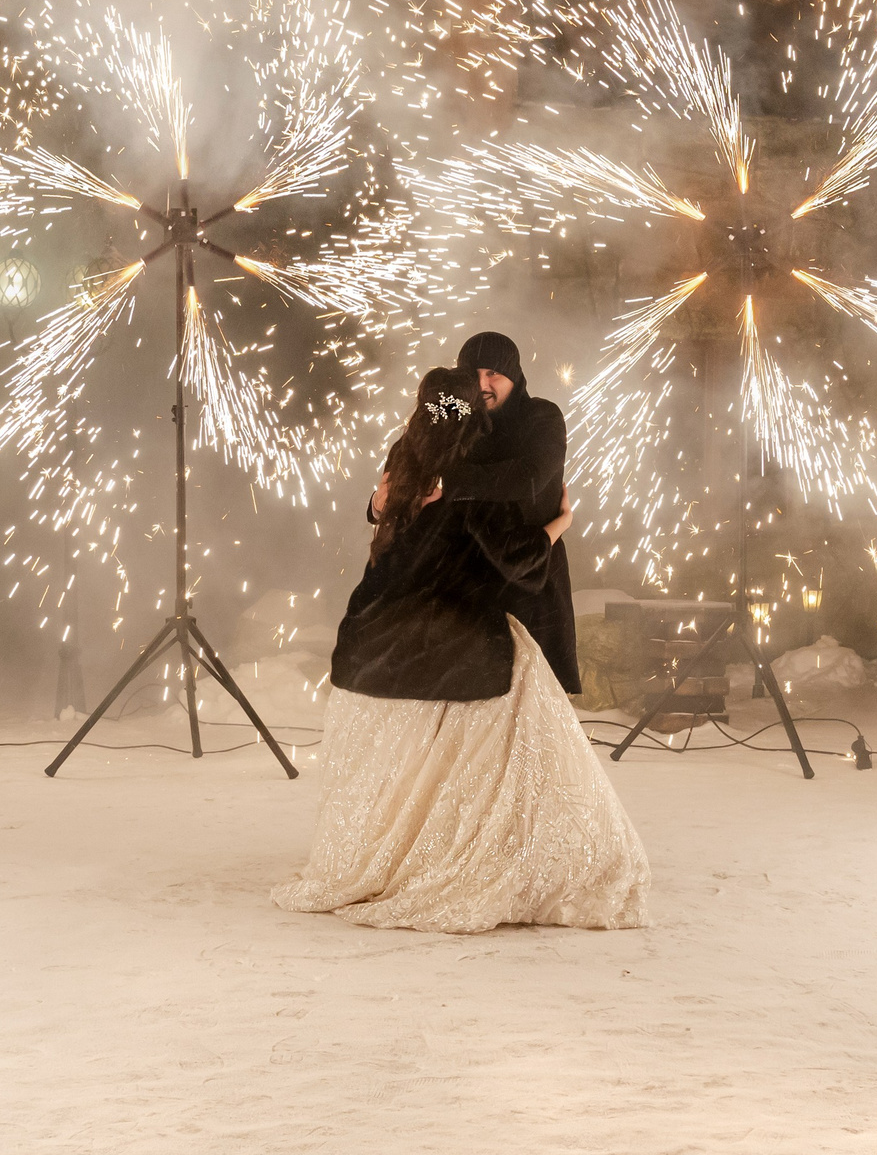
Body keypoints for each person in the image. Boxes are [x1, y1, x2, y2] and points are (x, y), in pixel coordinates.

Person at [277, 367, 649, 933]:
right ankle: (465, 859)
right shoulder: (473, 481)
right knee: (521, 723)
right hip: (453, 637)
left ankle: (382, 858)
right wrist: (562, 523)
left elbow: (383, 514)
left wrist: (378, 508)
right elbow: (519, 557)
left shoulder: (405, 460)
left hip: (373, 641)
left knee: (405, 765)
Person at [438, 330, 580, 694]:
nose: (482, 384)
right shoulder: (453, 420)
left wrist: (452, 482)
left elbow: (527, 480)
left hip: (530, 576)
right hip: (466, 584)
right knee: (470, 711)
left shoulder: (542, 416)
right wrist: (378, 504)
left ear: (514, 377)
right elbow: (412, 468)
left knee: (532, 706)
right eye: (473, 374)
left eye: (493, 374)